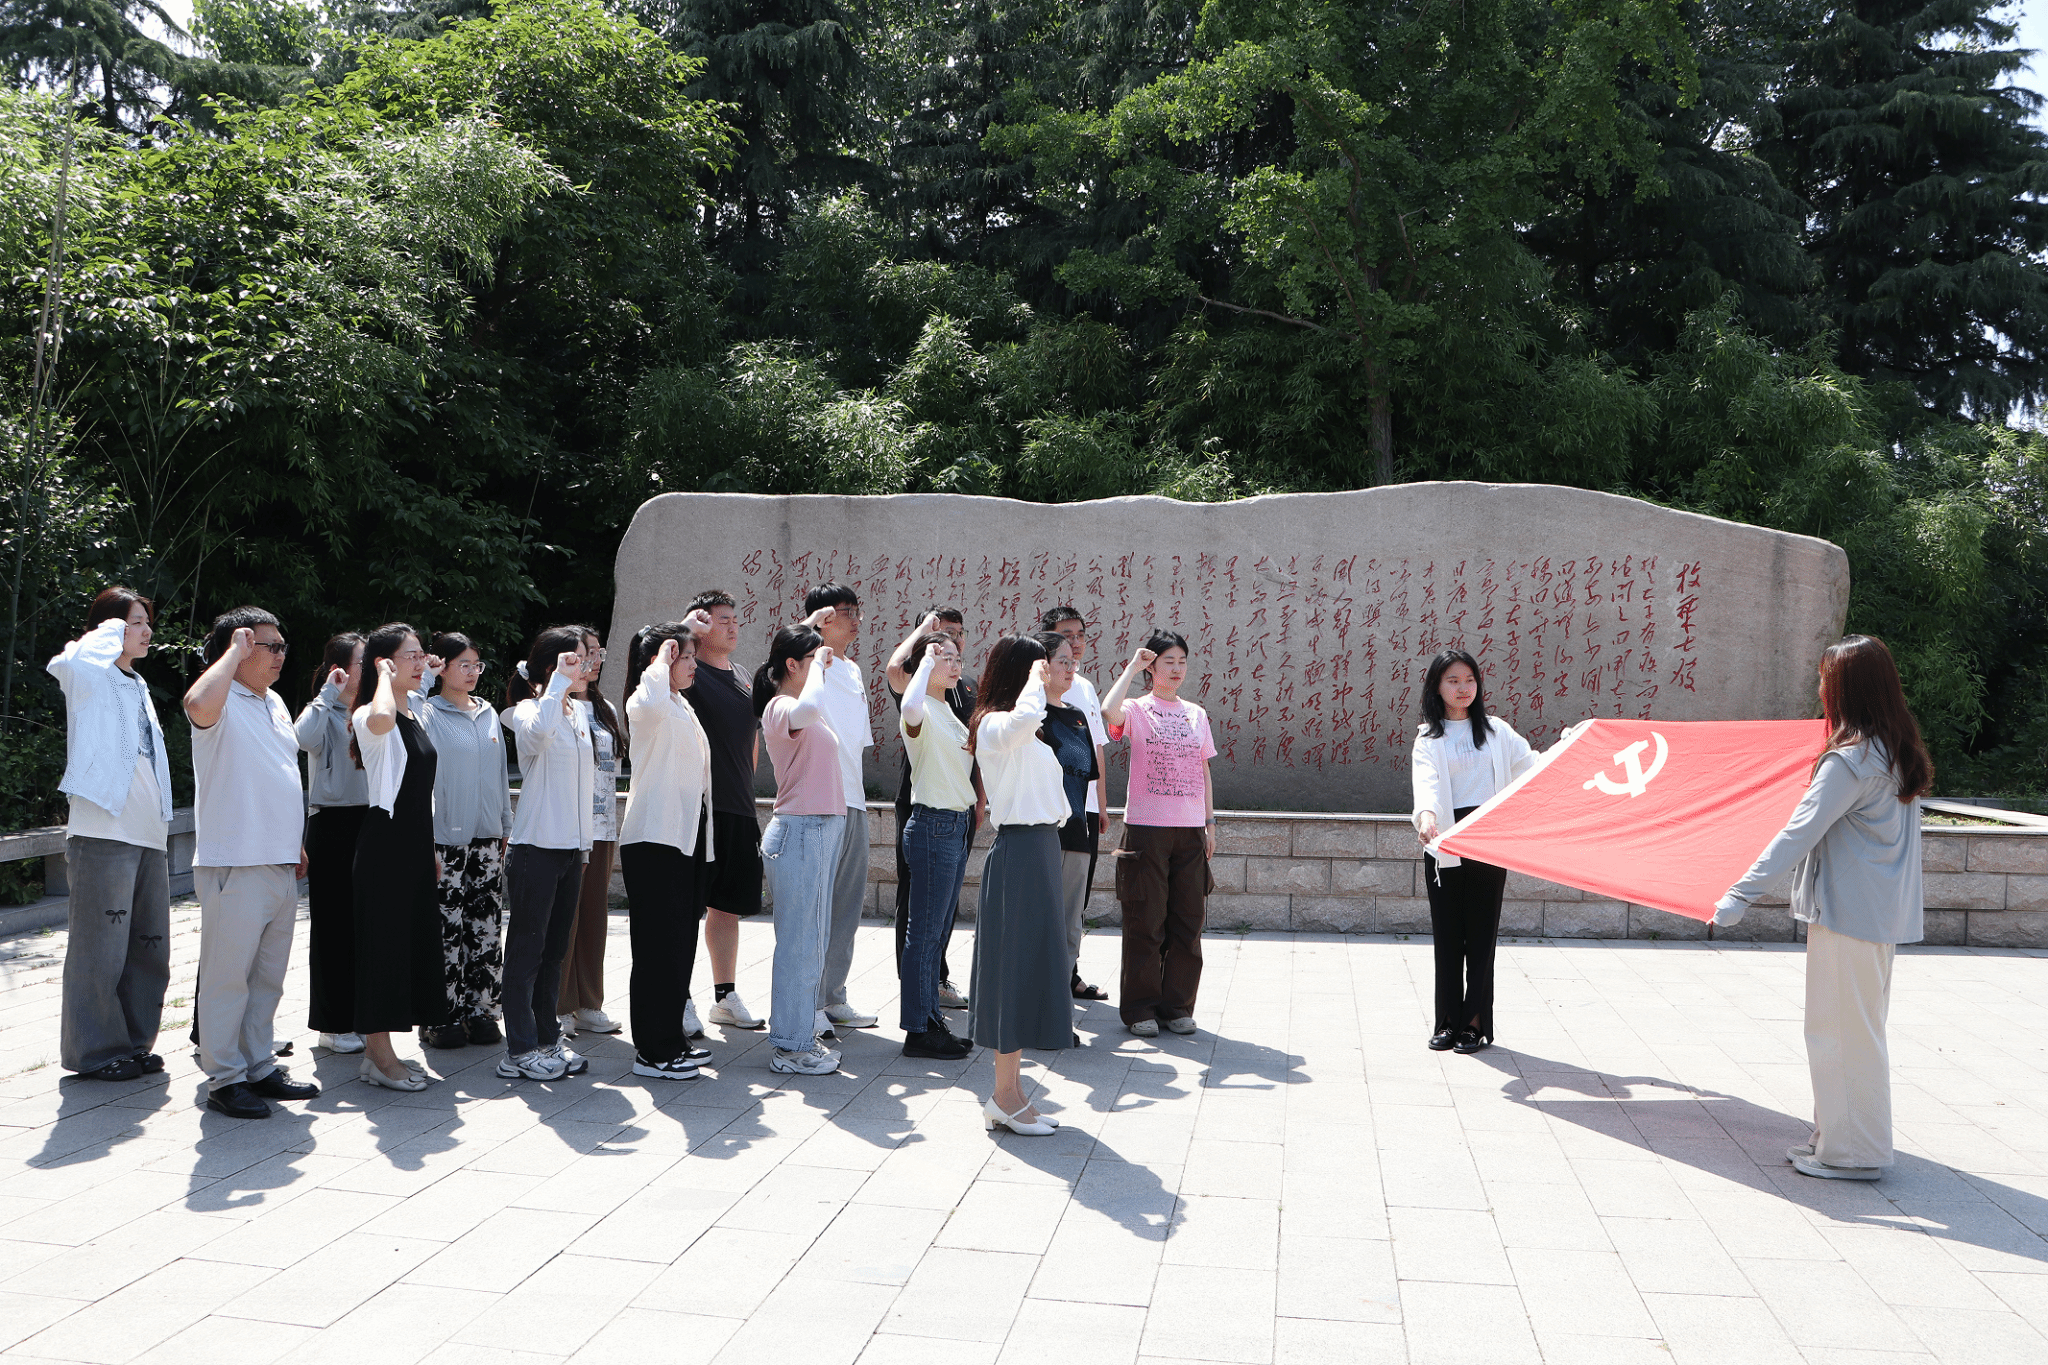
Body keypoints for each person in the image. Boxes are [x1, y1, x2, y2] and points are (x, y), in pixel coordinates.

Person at [1712, 635, 1932, 1181]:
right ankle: (1834, 1139)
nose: (1819, 689)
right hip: (1875, 915)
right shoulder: (1893, 748)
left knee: (1840, 1034)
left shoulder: (1850, 761)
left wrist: (1740, 892)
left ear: (1845, 689)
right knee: (1853, 1029)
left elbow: (1797, 833)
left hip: (1849, 916)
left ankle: (1853, 1153)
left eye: (1824, 680)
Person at [183, 607, 320, 1119]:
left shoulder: (277, 701)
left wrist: (295, 843)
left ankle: (258, 1065)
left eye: (283, 645)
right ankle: (224, 1078)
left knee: (267, 976)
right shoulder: (218, 697)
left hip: (279, 859)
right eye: (270, 646)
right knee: (227, 977)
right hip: (234, 862)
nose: (281, 654)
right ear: (238, 650)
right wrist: (233, 652)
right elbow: (195, 702)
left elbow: (279, 773)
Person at [48, 587, 174, 1082]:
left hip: (148, 832)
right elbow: (68, 661)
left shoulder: (136, 684)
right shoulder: (88, 675)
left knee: (148, 945)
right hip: (103, 830)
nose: (145, 631)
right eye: (134, 622)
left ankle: (133, 1042)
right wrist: (108, 630)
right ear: (108, 629)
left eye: (146, 622)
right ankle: (94, 1052)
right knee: (100, 948)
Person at [966, 635, 1071, 1134]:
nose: (1051, 674)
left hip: (1041, 850)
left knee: (1028, 973)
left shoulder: (1023, 732)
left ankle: (1012, 1093)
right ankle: (1003, 1097)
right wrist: (1035, 679)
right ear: (1019, 673)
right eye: (1041, 668)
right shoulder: (993, 726)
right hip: (1021, 854)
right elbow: (1024, 719)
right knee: (1013, 976)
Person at [1409, 648, 1536, 1055]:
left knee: (1481, 936)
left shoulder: (1498, 730)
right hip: (1445, 838)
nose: (1463, 688)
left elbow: (1531, 765)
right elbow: (1427, 784)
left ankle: (1475, 1023)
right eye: (1452, 681)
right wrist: (1427, 818)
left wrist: (1570, 750)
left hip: (1488, 836)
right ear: (1437, 687)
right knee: (1448, 936)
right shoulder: (1429, 738)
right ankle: (1448, 1021)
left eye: (1469, 680)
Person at [1101, 631, 1218, 1039]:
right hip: (1147, 829)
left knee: (1188, 920)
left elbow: (1203, 769)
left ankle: (1178, 1006)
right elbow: (1107, 710)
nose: (1176, 669)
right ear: (1153, 667)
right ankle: (1140, 1010)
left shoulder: (1196, 714)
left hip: (1188, 830)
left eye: (1182, 661)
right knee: (1145, 920)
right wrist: (1132, 667)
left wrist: (1209, 822)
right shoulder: (1137, 707)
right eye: (1168, 661)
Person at [347, 623, 447, 1091]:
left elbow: (421, 792)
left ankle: (383, 1051)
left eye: (420, 653)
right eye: (410, 655)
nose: (420, 661)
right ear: (385, 663)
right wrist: (383, 677)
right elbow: (382, 721)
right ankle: (379, 1056)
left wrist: (428, 849)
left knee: (408, 945)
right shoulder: (372, 711)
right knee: (382, 948)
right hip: (383, 845)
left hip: (412, 844)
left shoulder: (417, 714)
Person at [619, 618, 719, 1080]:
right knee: (657, 949)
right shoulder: (646, 701)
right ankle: (652, 1052)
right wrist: (662, 654)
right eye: (685, 657)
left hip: (684, 838)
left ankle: (672, 1039)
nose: (692, 664)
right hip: (653, 839)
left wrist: (677, 643)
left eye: (692, 656)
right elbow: (651, 695)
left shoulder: (680, 704)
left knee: (679, 946)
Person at [498, 627, 597, 1082]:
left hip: (570, 850)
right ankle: (517, 1051)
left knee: (555, 949)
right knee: (526, 950)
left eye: (583, 659)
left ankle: (545, 1037)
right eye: (572, 659)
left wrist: (585, 845)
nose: (584, 666)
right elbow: (536, 740)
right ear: (549, 665)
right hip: (534, 847)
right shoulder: (525, 711)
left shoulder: (578, 710)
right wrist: (556, 684)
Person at [753, 624, 845, 1075]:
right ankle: (790, 1046)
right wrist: (819, 668)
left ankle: (799, 1035)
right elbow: (809, 705)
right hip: (801, 831)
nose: (821, 668)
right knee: (799, 943)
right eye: (811, 661)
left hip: (819, 830)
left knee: (813, 940)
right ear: (792, 665)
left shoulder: (803, 706)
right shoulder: (781, 707)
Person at [418, 631, 513, 1051]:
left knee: (486, 926)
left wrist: (505, 824)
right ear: (443, 667)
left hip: (488, 837)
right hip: (444, 838)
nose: (473, 672)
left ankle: (482, 1009)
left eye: (478, 665)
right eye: (464, 665)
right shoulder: (428, 711)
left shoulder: (489, 713)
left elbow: (499, 774)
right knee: (445, 928)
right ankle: (441, 1015)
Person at [681, 590, 766, 1034]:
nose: (732, 626)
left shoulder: (743, 676)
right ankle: (679, 995)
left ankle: (724, 997)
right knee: (689, 905)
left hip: (739, 807)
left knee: (727, 907)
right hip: (701, 808)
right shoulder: (689, 672)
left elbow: (751, 740)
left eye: (736, 619)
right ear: (702, 623)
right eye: (721, 619)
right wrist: (684, 632)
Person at [885, 607, 978, 1010]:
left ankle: (930, 1011)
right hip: (932, 824)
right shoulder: (918, 705)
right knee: (923, 931)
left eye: (958, 657)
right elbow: (906, 703)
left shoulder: (950, 710)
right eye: (946, 657)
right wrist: (925, 656)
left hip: (956, 824)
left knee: (937, 928)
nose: (955, 664)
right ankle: (920, 1024)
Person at [803, 584, 878, 1039]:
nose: (855, 619)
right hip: (820, 800)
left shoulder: (850, 669)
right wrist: (811, 628)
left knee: (847, 908)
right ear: (822, 617)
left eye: (856, 611)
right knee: (814, 908)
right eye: (844, 612)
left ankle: (833, 996)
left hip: (853, 799)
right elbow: (781, 657)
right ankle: (807, 1002)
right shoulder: (806, 661)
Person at [297, 632, 368, 1056]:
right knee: (332, 926)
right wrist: (328, 692)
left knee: (364, 925)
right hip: (332, 823)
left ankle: (361, 1015)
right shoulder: (323, 709)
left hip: (370, 821)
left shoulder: (373, 710)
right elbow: (299, 738)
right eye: (362, 661)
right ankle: (331, 1022)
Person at [557, 627, 624, 1040]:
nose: (596, 659)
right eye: (588, 652)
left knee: (594, 916)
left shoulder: (605, 709)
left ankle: (588, 1002)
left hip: (602, 826)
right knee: (565, 917)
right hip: (565, 827)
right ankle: (558, 1004)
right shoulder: (553, 705)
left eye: (599, 652)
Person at [1040, 606, 1110, 1000]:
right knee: (1047, 903)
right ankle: (1045, 985)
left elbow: (1095, 752)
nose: (1078, 642)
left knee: (1073, 904)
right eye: (1067, 636)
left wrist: (1100, 805)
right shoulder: (1031, 700)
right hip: (1046, 816)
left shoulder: (1082, 693)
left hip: (1080, 812)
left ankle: (1067, 976)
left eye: (1081, 634)